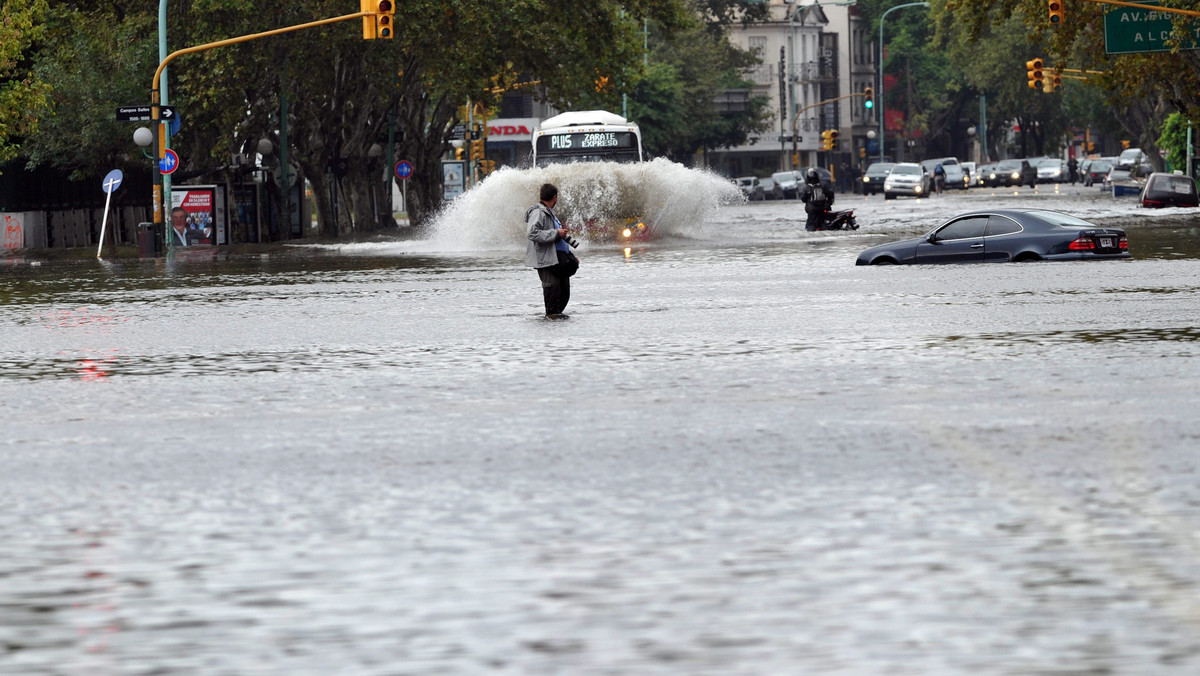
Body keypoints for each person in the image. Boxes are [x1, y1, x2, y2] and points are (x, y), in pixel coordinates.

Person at [525, 183, 577, 318]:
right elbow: (532, 233)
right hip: (546, 260)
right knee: (552, 293)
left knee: (564, 292)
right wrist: (555, 233)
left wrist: (570, 255)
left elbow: (558, 237)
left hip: (559, 259)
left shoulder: (550, 213)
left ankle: (556, 321)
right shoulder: (538, 212)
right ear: (555, 197)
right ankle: (551, 325)